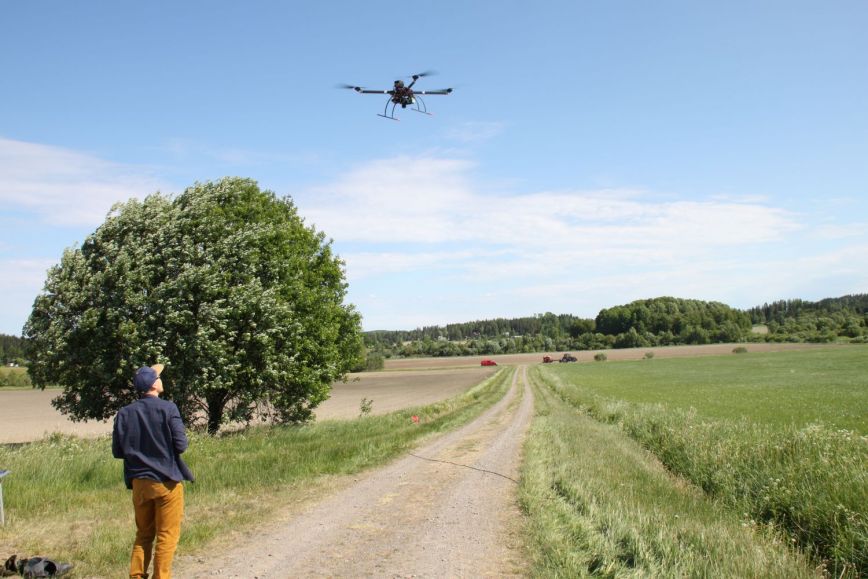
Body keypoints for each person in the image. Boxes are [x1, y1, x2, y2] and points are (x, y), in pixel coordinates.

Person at [112, 364, 194, 579]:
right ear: (154, 384)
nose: (161, 379)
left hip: (139, 483)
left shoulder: (124, 413)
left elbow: (118, 451)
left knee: (144, 535)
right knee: (166, 536)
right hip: (166, 481)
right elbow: (181, 445)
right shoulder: (168, 409)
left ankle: (137, 576)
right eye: (159, 376)